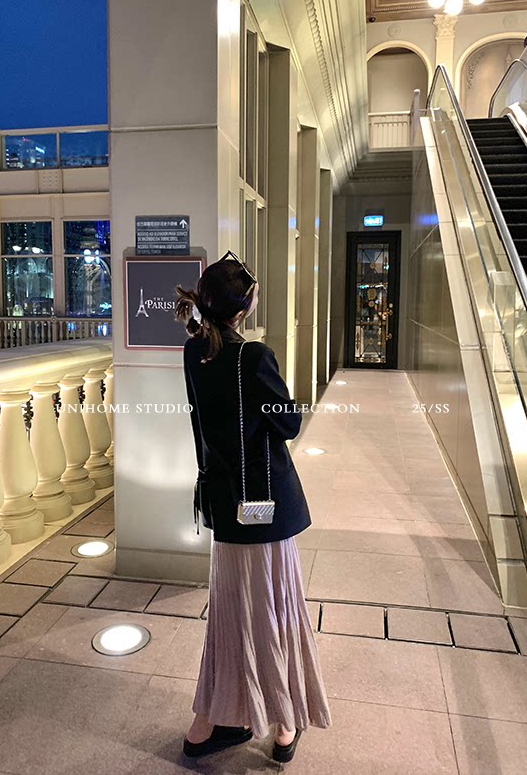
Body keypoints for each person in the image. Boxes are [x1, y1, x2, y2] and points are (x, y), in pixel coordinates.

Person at [175, 251, 331, 764]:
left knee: (231, 614)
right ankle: (283, 727)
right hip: (264, 506)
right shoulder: (255, 357)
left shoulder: (193, 351)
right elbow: (288, 424)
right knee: (273, 610)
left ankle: (210, 723)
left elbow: (204, 424)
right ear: (243, 308)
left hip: (225, 506)